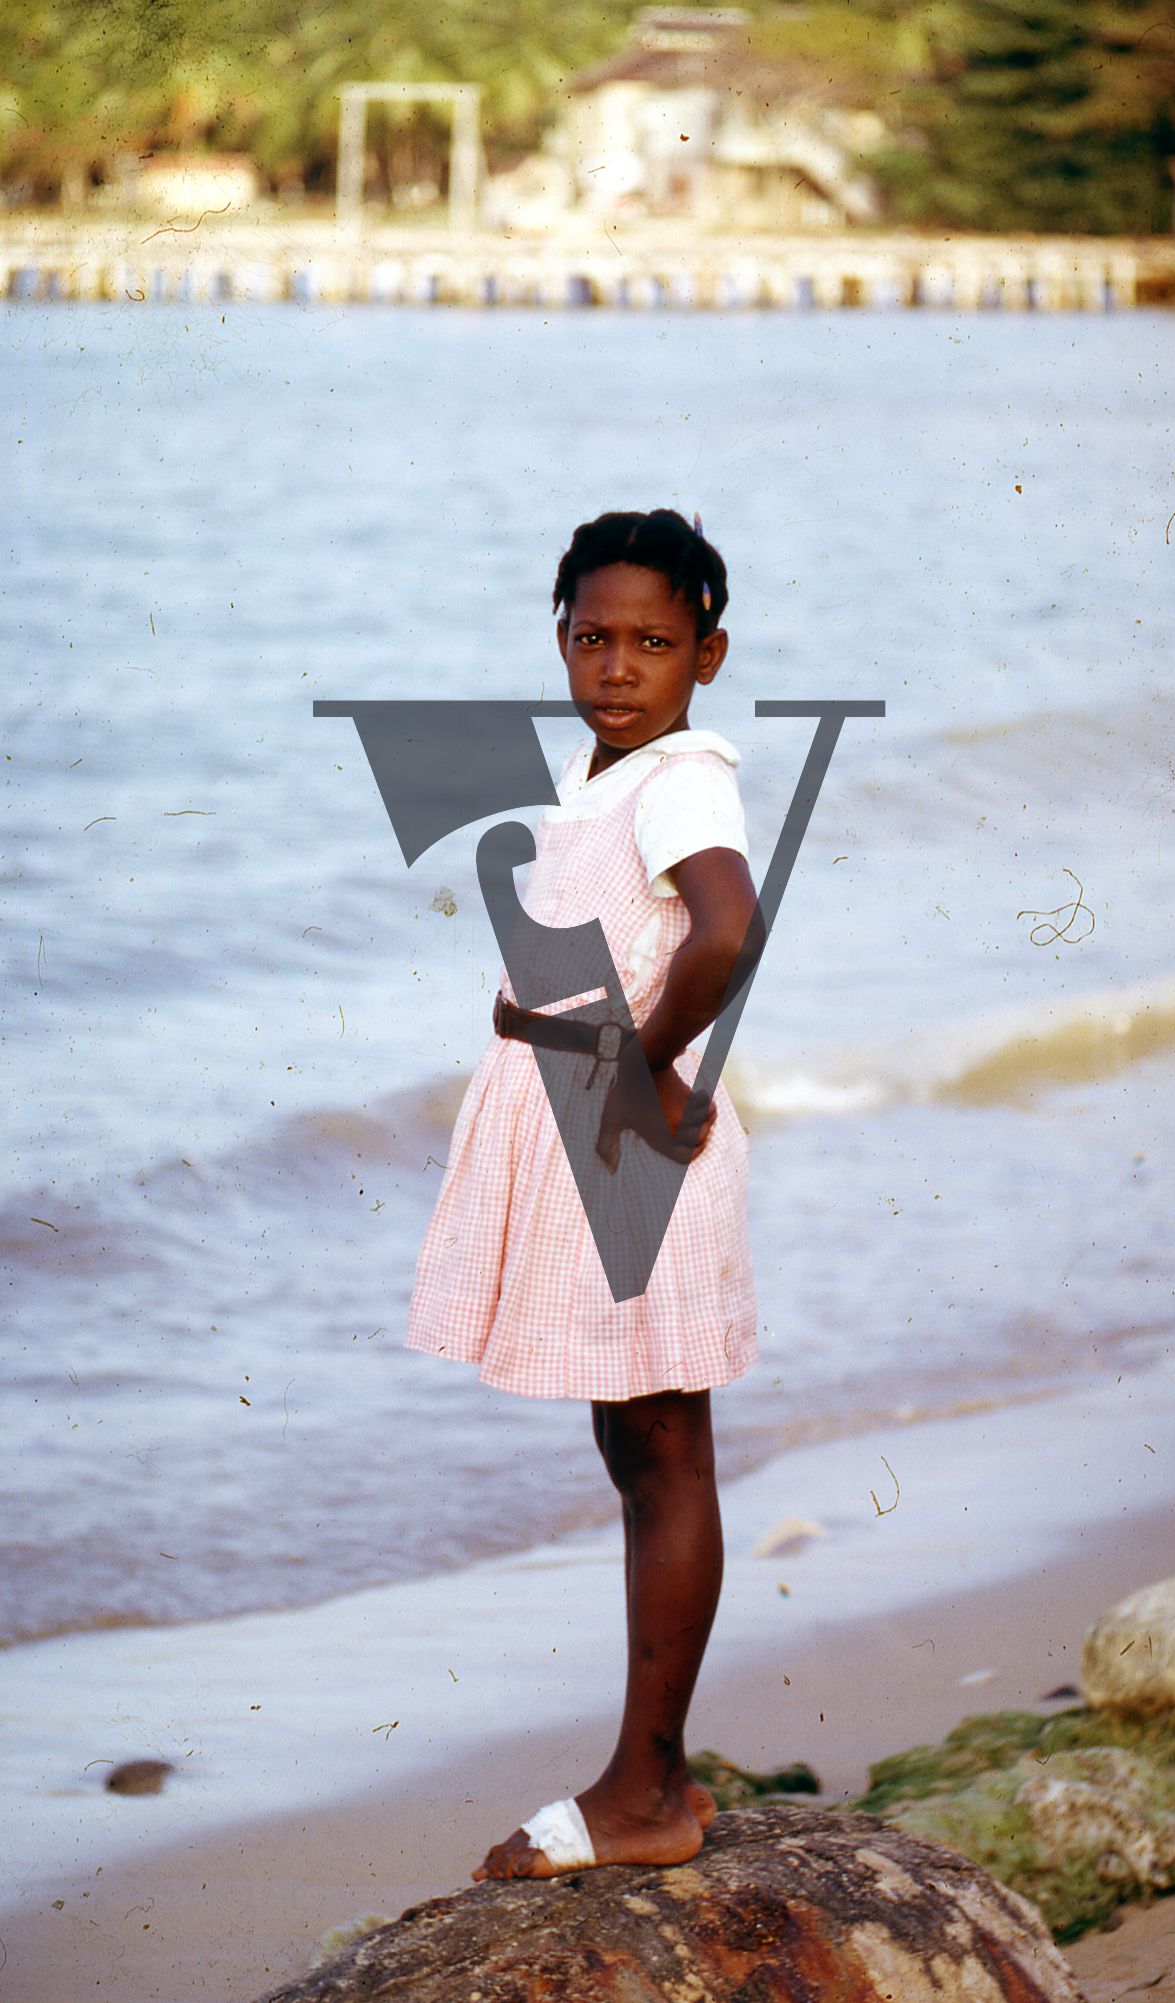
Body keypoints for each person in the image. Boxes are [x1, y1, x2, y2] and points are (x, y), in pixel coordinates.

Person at [407, 506, 763, 1881]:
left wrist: (637, 1063)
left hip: (624, 1133)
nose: (620, 667)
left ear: (707, 655)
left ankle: (645, 1792)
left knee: (664, 1450)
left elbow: (726, 926)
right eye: (594, 637)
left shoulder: (679, 779)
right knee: (641, 1448)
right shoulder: (607, 770)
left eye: (654, 643)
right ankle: (652, 1770)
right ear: (560, 639)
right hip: (596, 1126)